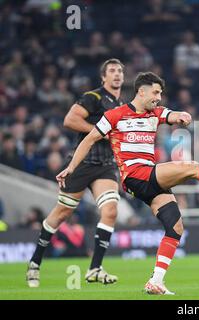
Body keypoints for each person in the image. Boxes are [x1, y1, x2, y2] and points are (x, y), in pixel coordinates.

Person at [55, 71, 199, 295]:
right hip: (135, 175)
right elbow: (89, 139)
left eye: (160, 93)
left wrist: (182, 115)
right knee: (189, 167)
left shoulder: (155, 113)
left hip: (149, 179)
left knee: (175, 227)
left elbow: (172, 115)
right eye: (155, 92)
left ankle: (156, 281)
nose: (158, 97)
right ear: (141, 91)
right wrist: (71, 167)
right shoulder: (115, 115)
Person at [26, 59, 126, 288]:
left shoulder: (121, 105)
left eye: (120, 71)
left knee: (110, 211)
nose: (117, 74)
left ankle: (95, 268)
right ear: (103, 77)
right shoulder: (94, 97)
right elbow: (70, 120)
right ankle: (34, 263)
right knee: (61, 214)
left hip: (106, 165)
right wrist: (99, 131)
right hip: (83, 162)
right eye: (112, 71)